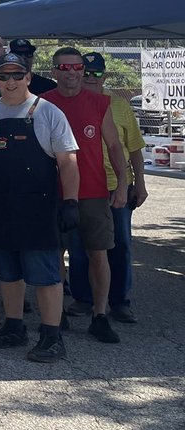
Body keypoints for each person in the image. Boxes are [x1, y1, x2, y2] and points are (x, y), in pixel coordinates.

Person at [0, 53, 79, 363]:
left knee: (45, 274)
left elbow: (68, 161)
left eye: (17, 74)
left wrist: (70, 202)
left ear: (28, 77)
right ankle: (13, 327)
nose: (10, 81)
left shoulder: (48, 113)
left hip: (37, 208)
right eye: (4, 75)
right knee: (8, 273)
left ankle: (52, 337)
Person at [41, 47, 128, 344]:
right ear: (54, 72)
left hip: (93, 191)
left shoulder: (99, 103)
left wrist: (124, 183)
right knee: (54, 254)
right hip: (54, 193)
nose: (72, 74)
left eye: (76, 67)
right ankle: (56, 313)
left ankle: (100, 315)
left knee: (98, 253)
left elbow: (115, 146)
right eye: (63, 69)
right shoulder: (43, 103)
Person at [67, 52, 147, 323]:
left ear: (105, 76)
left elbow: (133, 148)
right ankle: (82, 297)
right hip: (84, 186)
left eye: (96, 73)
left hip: (115, 186)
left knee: (120, 246)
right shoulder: (69, 102)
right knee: (79, 247)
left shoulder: (120, 105)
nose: (90, 77)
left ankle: (119, 300)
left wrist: (139, 185)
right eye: (85, 72)